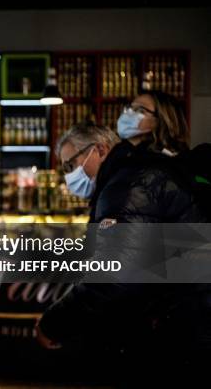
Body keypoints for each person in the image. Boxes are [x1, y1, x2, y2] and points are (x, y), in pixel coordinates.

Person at [36, 122, 209, 386]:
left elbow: (113, 276)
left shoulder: (128, 185)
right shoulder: (134, 173)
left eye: (70, 165)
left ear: (100, 150)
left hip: (185, 325)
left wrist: (55, 323)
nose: (69, 176)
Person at [117, 89, 189, 155]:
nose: (129, 113)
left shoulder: (162, 161)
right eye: (129, 108)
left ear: (161, 120)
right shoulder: (120, 150)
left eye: (140, 110)